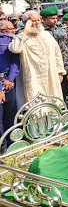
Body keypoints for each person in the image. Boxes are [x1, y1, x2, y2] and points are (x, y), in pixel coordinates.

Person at [8, 11, 66, 101]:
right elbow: (15, 49)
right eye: (34, 20)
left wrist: (60, 72)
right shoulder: (20, 37)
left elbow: (57, 54)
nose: (37, 23)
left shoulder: (47, 35)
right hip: (34, 79)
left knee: (54, 103)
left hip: (51, 77)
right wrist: (25, 32)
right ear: (25, 22)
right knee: (36, 104)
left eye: (39, 20)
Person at [0, 20, 19, 150]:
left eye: (13, 28)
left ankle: (11, 142)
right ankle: (2, 145)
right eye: (9, 29)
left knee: (10, 113)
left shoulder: (10, 41)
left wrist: (10, 79)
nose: (12, 31)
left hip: (8, 82)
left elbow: (15, 61)